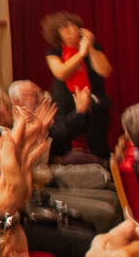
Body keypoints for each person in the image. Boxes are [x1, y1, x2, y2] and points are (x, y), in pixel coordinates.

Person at [43, 11, 113, 157]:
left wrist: (90, 48)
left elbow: (105, 71)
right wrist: (80, 54)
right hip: (67, 105)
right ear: (57, 33)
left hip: (94, 103)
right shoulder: (54, 52)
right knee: (65, 143)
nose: (69, 30)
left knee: (98, 146)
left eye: (72, 26)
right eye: (64, 27)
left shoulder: (94, 47)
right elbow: (61, 73)